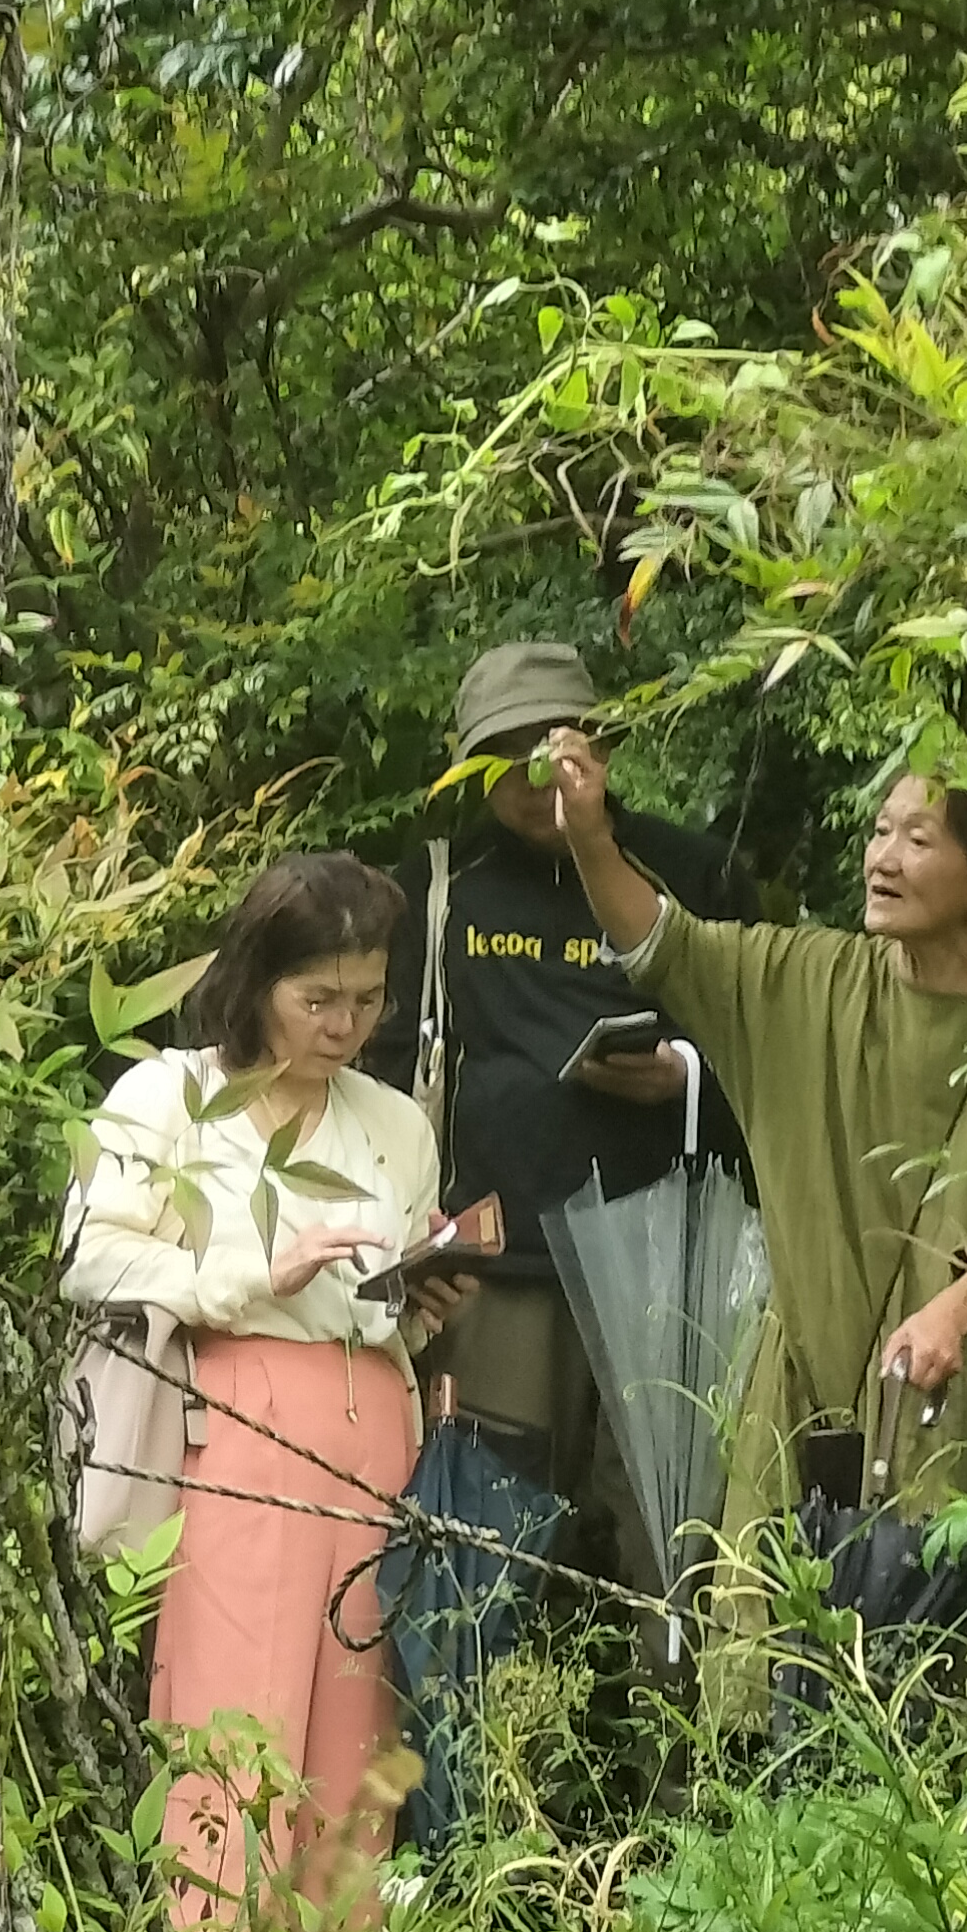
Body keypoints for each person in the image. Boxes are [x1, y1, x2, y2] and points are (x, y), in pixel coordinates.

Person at [539, 733, 967, 1703]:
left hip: (949, 1408)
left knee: (954, 1696)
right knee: (785, 1696)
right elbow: (666, 943)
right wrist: (588, 838)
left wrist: (956, 1310)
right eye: (880, 832)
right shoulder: (809, 980)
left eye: (917, 839)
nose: (881, 858)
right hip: (802, 1400)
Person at [67, 852, 452, 1906]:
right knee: (233, 1729)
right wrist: (240, 1274)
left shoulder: (392, 1123)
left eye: (367, 998)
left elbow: (387, 1298)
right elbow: (87, 1255)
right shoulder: (170, 1096)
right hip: (235, 1421)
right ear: (255, 982)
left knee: (356, 1743)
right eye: (316, 998)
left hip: (373, 1423)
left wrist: (420, 1302)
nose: (344, 1025)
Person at [388, 642, 756, 1569]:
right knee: (488, 1524)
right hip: (498, 1260)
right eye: (498, 754)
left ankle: (670, 1714)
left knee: (666, 1527)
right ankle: (484, 1713)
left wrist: (686, 1076)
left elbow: (776, 1050)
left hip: (665, 1254)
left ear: (595, 743)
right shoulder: (437, 889)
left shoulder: (691, 874)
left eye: (546, 745)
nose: (529, 777)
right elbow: (388, 1065)